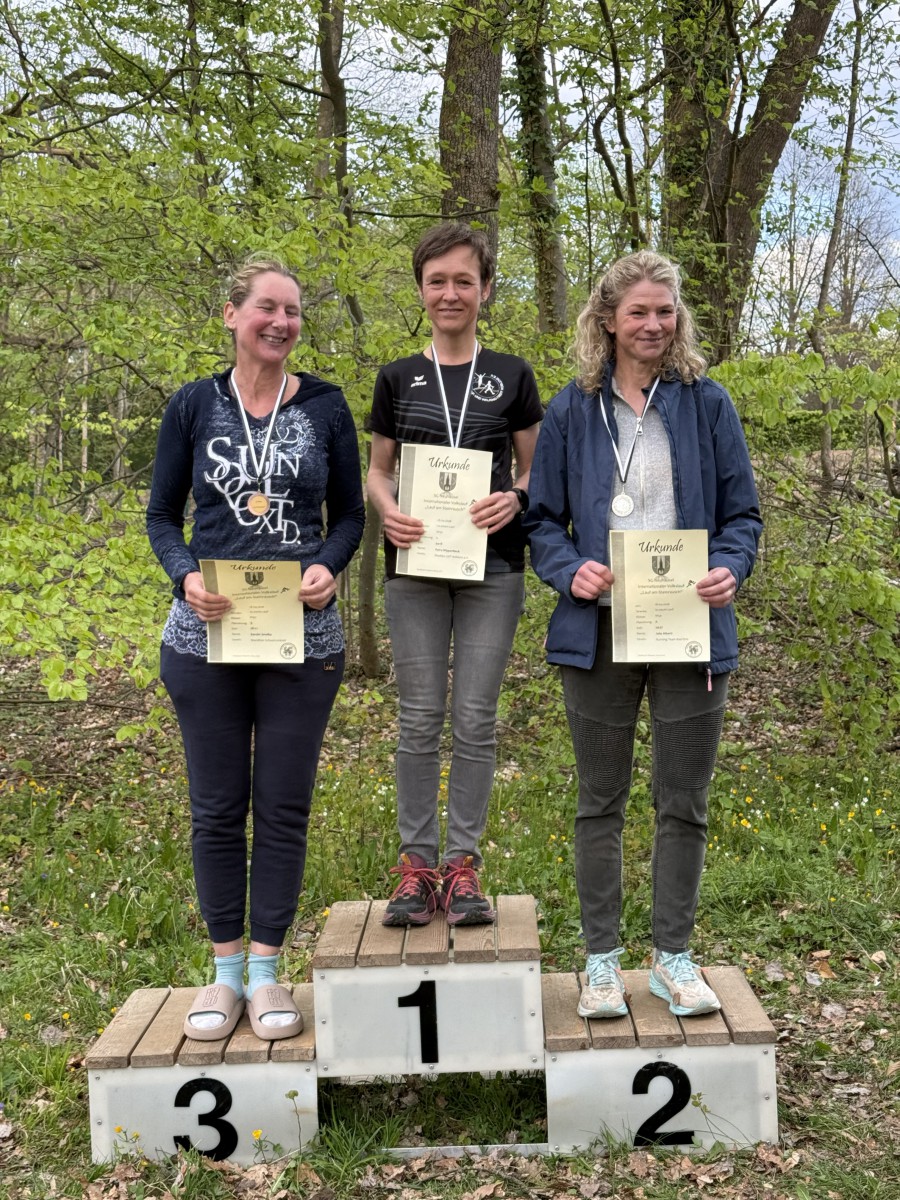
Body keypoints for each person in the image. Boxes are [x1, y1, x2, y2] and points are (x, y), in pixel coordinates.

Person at [523, 250, 761, 1018]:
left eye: (665, 311)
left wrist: (729, 567)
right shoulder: (572, 410)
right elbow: (540, 521)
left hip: (691, 627)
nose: (653, 324)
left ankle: (673, 958)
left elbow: (742, 516)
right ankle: (601, 964)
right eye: (639, 312)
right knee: (600, 800)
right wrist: (569, 571)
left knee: (683, 800)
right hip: (599, 633)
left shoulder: (708, 404)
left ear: (678, 317)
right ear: (607, 319)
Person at [146, 257, 365, 1040]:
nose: (282, 322)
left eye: (293, 311)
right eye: (267, 307)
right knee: (216, 809)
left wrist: (328, 566)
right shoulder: (192, 405)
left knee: (282, 805)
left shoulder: (328, 407)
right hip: (206, 637)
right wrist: (183, 577)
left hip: (301, 638)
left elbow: (350, 515)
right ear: (232, 314)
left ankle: (268, 974)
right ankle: (225, 974)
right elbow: (161, 516)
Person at [366, 223, 543, 927]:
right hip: (414, 564)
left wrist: (516, 499)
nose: (450, 293)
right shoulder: (396, 377)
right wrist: (387, 510)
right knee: (418, 716)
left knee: (474, 717)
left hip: (492, 567)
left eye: (463, 281)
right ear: (420, 289)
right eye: (436, 281)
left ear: (486, 289)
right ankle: (416, 868)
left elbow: (535, 469)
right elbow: (378, 472)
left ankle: (462, 867)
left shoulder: (512, 375)